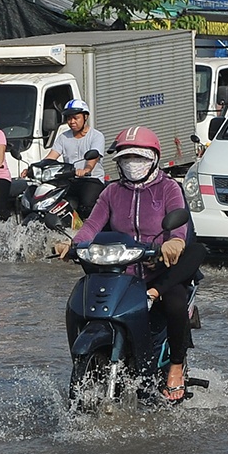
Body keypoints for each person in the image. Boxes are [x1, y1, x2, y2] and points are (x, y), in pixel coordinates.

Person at [62, 126, 203, 402]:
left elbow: (179, 219)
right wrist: (73, 245)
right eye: (126, 159)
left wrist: (173, 243)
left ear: (154, 159)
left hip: (159, 270)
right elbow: (91, 225)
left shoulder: (169, 188)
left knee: (175, 301)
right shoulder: (112, 192)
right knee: (79, 301)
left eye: (139, 158)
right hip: (122, 273)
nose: (132, 164)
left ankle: (175, 367)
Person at [44, 97, 106, 219]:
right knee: (53, 202)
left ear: (85, 117)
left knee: (87, 205)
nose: (72, 121)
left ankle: (90, 231)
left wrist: (86, 170)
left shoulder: (96, 136)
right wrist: (33, 168)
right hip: (70, 180)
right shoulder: (63, 137)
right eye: (68, 118)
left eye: (75, 118)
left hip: (91, 179)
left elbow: (93, 158)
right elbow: (51, 157)